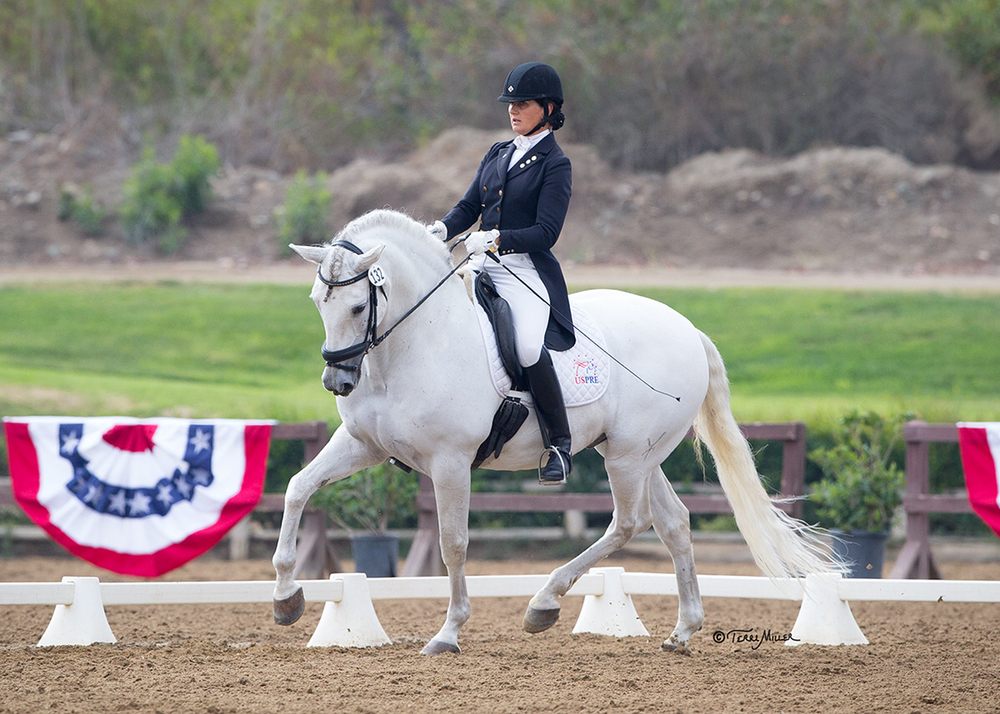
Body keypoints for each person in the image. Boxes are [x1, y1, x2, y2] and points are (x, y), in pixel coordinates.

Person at [427, 61, 575, 485]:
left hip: (524, 270)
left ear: (547, 108)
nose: (513, 111)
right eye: (510, 103)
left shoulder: (555, 164)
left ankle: (559, 445)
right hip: (479, 263)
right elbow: (468, 207)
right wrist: (441, 229)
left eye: (522, 104)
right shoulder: (498, 152)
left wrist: (494, 240)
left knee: (528, 347)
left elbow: (546, 233)